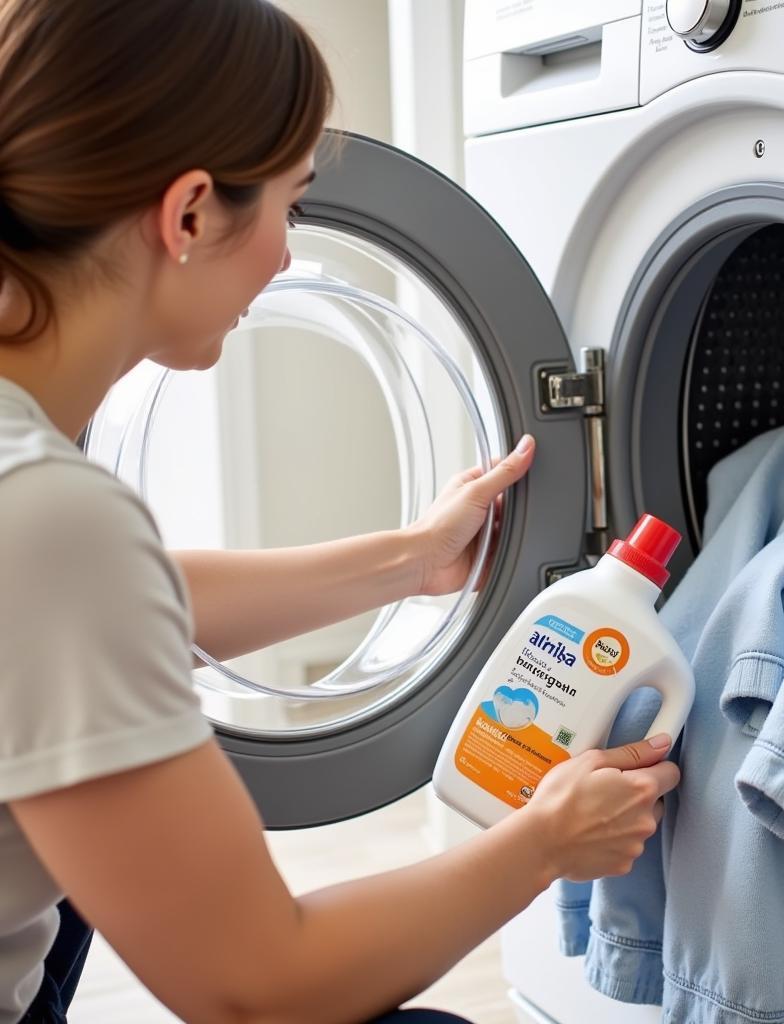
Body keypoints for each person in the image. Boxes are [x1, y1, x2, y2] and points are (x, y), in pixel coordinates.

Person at [0, 2, 680, 1023]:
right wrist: (545, 841)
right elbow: (258, 987)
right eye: (288, 205)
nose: (284, 254)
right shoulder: (51, 518)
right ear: (187, 214)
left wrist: (412, 562)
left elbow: (91, 615)